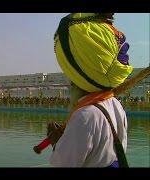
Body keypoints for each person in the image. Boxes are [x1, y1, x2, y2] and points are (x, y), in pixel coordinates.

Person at [47, 13, 133, 167]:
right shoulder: (115, 103)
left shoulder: (85, 116)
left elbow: (63, 164)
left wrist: (56, 143)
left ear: (77, 74)